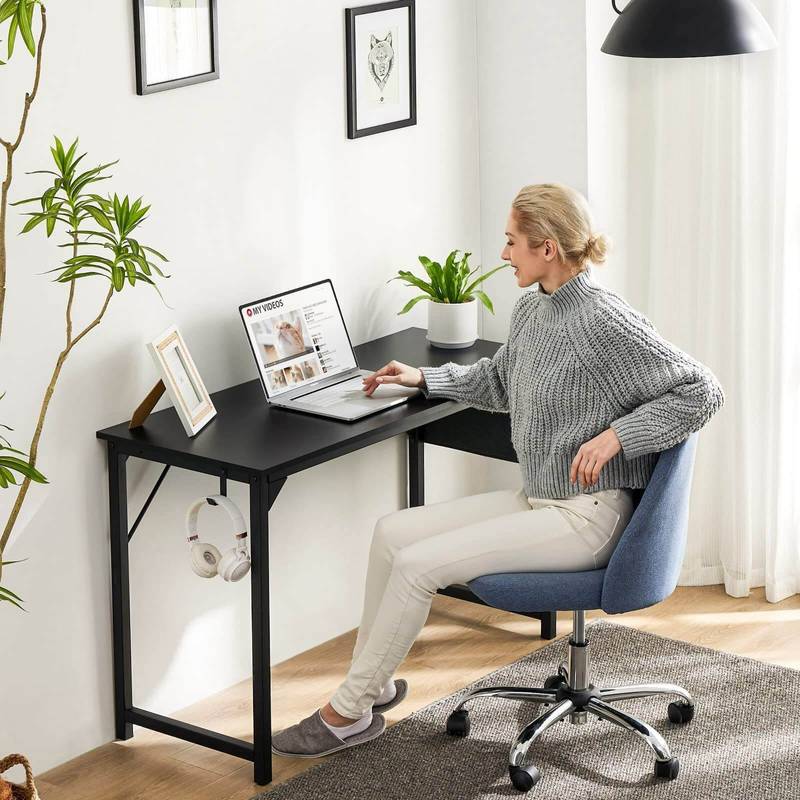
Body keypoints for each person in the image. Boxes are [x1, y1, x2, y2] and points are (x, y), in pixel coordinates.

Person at [271, 182, 726, 758]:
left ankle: (346, 712)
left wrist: (618, 436)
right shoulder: (535, 308)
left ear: (548, 248)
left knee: (417, 566)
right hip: (542, 499)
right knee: (392, 533)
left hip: (590, 516)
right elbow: (499, 380)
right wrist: (422, 378)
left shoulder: (602, 321)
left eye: (512, 242)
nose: (504, 254)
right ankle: (377, 685)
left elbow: (703, 390)